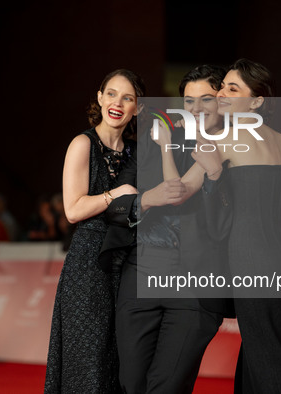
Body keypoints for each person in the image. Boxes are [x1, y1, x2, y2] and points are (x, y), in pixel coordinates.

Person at [188, 58, 281, 393]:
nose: (221, 94)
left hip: (252, 261)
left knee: (270, 362)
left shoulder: (226, 138)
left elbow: (182, 191)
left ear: (256, 101)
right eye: (222, 86)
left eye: (232, 88)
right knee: (264, 355)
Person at [110, 65, 232, 394]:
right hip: (142, 273)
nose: (196, 108)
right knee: (131, 384)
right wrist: (144, 199)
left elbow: (179, 194)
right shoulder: (158, 134)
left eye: (206, 99)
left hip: (195, 281)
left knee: (166, 386)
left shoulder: (237, 141)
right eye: (189, 101)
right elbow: (117, 202)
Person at [44, 69, 143, 394]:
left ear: (137, 108)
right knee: (87, 362)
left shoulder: (137, 151)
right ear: (100, 98)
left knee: (118, 363)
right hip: (88, 268)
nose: (118, 102)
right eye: (111, 94)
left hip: (128, 265)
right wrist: (116, 193)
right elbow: (72, 210)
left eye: (127, 97)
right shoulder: (82, 144)